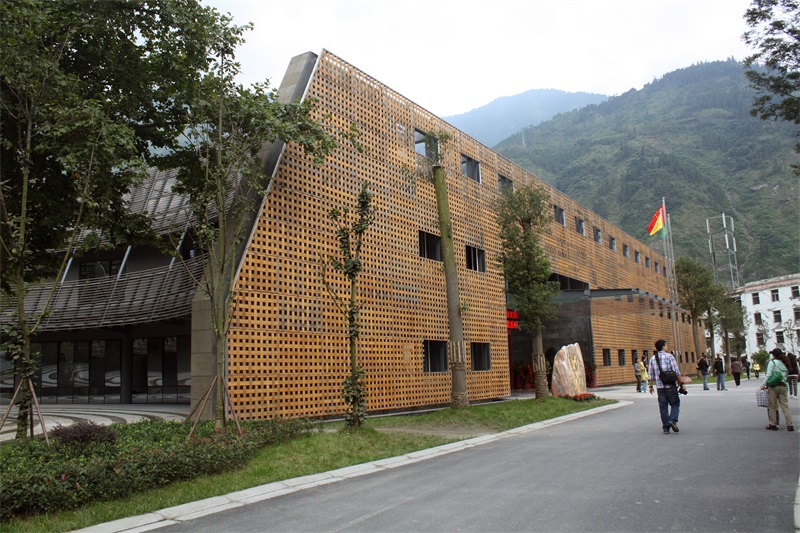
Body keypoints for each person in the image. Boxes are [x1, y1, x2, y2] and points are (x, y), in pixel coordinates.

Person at [648, 339, 685, 434]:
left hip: (660, 387)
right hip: (670, 386)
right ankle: (672, 420)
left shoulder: (653, 358)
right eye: (666, 345)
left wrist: (650, 386)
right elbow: (676, 371)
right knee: (675, 403)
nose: (667, 346)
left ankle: (666, 427)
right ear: (663, 346)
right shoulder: (669, 356)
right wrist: (682, 383)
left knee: (663, 407)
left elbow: (651, 374)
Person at [761, 348, 793, 431]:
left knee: (772, 406)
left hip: (773, 387)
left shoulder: (772, 362)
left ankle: (773, 424)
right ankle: (790, 424)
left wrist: (763, 385)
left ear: (774, 355)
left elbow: (768, 375)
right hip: (783, 385)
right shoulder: (785, 363)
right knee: (785, 406)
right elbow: (786, 375)